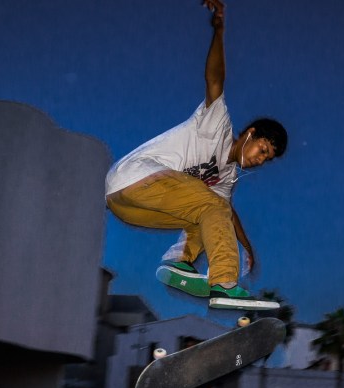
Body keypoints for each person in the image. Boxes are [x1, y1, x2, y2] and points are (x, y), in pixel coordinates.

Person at [105, 0, 287, 310]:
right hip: (134, 177)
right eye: (263, 149)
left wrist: (247, 246)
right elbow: (215, 79)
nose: (260, 159)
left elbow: (225, 213)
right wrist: (219, 30)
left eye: (266, 159)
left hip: (126, 207)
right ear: (250, 133)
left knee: (211, 212)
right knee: (212, 205)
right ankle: (224, 282)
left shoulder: (227, 177)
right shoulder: (217, 126)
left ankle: (179, 263)